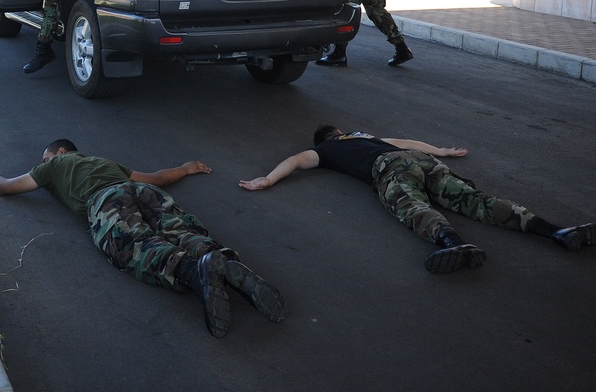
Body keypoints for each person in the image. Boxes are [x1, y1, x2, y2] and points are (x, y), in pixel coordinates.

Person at [0, 139, 285, 337]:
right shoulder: (105, 162)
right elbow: (156, 178)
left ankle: (194, 273)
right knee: (181, 230)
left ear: (59, 152)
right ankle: (219, 260)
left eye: (45, 159)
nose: (44, 166)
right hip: (143, 191)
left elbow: (5, 186)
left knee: (134, 246)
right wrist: (185, 168)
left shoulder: (54, 164)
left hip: (106, 201)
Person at [240, 125, 595, 274]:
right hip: (423, 162)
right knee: (475, 199)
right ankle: (558, 232)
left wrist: (268, 179)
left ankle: (453, 244)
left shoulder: (326, 149)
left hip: (389, 168)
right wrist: (444, 151)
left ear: (325, 139)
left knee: (412, 206)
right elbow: (409, 142)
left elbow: (298, 161)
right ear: (342, 131)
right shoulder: (367, 136)